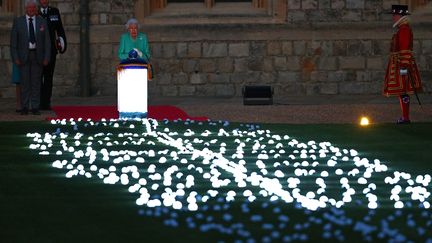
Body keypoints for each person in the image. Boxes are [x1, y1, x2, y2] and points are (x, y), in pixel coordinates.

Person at [383, 4, 422, 124]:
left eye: (395, 15)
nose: (393, 17)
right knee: (402, 91)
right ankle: (405, 117)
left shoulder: (404, 30)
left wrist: (404, 66)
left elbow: (405, 49)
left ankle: (405, 117)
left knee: (403, 90)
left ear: (400, 16)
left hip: (402, 65)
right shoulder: (402, 29)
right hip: (399, 63)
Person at [10, 0, 51, 115]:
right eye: (29, 8)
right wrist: (15, 58)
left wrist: (46, 57)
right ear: (26, 9)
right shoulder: (18, 22)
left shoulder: (42, 22)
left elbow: (47, 42)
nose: (31, 10)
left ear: (36, 9)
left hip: (38, 56)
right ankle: (24, 107)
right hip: (23, 56)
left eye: (33, 8)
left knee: (36, 83)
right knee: (24, 83)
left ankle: (35, 107)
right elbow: (13, 43)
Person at [38, 0, 67, 110]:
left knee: (49, 78)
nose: (44, 1)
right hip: (38, 52)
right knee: (39, 78)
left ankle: (46, 103)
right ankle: (39, 102)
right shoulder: (35, 12)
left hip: (51, 51)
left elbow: (60, 29)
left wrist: (63, 45)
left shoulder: (54, 11)